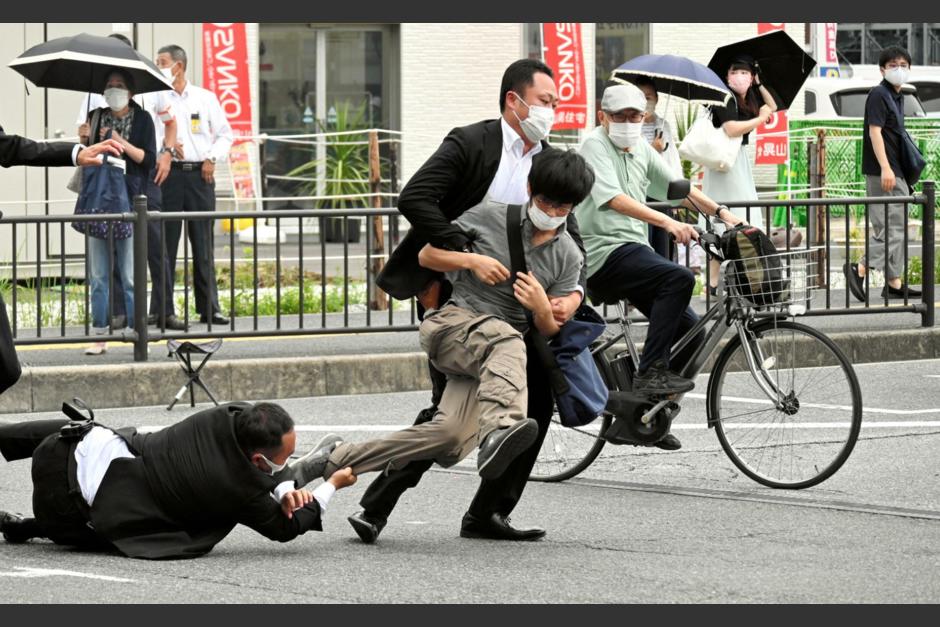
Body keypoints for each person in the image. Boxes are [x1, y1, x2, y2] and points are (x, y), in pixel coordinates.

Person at [361, 59, 588, 544]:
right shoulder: (471, 142)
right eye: (545, 101)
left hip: (523, 308)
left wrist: (573, 294)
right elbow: (416, 198)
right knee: (449, 410)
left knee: (538, 402)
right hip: (461, 299)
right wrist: (464, 251)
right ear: (515, 100)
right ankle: (378, 503)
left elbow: (572, 235)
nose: (551, 111)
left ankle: (488, 512)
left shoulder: (549, 161)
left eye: (554, 104)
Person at [293, 149, 593, 508]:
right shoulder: (489, 216)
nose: (553, 213)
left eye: (564, 208)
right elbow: (426, 256)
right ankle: (501, 429)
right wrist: (472, 260)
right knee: (508, 340)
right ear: (530, 189)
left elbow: (547, 330)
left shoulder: (569, 255)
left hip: (491, 354)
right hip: (453, 326)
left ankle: (333, 457)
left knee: (447, 436)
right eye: (547, 202)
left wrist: (542, 307)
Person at [576, 83, 743, 449]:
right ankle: (650, 373)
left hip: (633, 251)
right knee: (678, 277)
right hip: (603, 254)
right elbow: (613, 199)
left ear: (644, 118)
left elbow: (676, 187)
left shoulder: (639, 149)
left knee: (693, 331)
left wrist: (723, 214)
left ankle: (645, 417)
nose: (627, 123)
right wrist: (667, 222)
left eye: (635, 116)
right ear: (603, 117)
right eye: (619, 116)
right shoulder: (593, 146)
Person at [0, 402, 354, 559]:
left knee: (96, 433)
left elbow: (258, 464)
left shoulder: (227, 414)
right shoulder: (239, 491)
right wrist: (332, 484)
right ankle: (31, 526)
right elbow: (286, 529)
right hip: (63, 509)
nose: (283, 462)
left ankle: (4, 435)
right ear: (258, 460)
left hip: (60, 446)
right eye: (283, 460)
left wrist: (282, 485)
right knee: (122, 526)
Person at [75, 33, 187, 332]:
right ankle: (116, 315)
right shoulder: (94, 99)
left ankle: (163, 311)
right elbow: (83, 137)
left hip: (142, 185)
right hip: (106, 187)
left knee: (154, 246)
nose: (114, 90)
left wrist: (165, 154)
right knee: (109, 253)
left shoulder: (151, 85)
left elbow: (170, 124)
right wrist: (85, 137)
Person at [76, 70, 157, 355]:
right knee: (98, 274)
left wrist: (118, 140)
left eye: (120, 86)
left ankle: (138, 332)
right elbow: (88, 157)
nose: (114, 90)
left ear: (131, 92)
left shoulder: (143, 119)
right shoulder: (96, 115)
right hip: (99, 198)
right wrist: (85, 140)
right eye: (109, 86)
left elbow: (147, 160)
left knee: (130, 272)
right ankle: (99, 334)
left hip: (131, 201)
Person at [154, 44, 233, 326]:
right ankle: (163, 310)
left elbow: (225, 135)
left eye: (162, 61)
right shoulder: (155, 96)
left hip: (201, 175)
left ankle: (209, 307)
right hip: (168, 176)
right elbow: (151, 134)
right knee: (165, 245)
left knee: (203, 244)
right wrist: (166, 147)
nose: (158, 65)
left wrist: (211, 157)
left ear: (179, 65)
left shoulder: (205, 98)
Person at [844, 45, 923, 301]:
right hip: (884, 173)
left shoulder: (896, 96)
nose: (899, 70)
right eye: (893, 65)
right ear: (882, 69)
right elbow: (874, 132)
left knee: (895, 226)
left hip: (895, 172)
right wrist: (886, 168)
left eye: (903, 65)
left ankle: (894, 283)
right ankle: (860, 267)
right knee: (892, 229)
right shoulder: (879, 94)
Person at [703, 54, 778, 294]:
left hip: (737, 161)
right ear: (726, 76)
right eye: (735, 72)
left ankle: (726, 281)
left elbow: (773, 106)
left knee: (739, 218)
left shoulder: (749, 98)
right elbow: (731, 128)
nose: (740, 76)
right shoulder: (723, 97)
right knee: (725, 219)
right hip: (724, 164)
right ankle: (715, 282)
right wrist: (760, 119)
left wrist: (758, 83)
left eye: (745, 72)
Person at [634, 76, 683, 260]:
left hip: (661, 190)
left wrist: (677, 193)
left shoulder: (664, 126)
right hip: (640, 191)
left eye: (649, 97)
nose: (646, 102)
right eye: (641, 97)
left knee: (662, 240)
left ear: (656, 99)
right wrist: (652, 149)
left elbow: (673, 160)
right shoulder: (631, 126)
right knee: (644, 239)